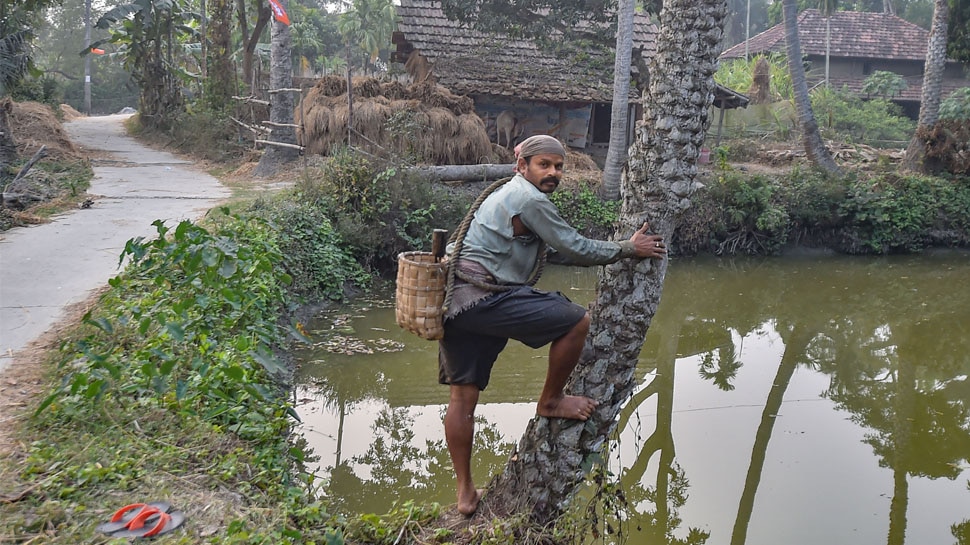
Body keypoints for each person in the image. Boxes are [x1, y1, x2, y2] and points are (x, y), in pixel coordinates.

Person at [439, 134, 667, 515]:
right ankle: (551, 401)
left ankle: (465, 495)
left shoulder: (510, 192)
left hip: (455, 304)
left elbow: (558, 251)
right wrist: (629, 248)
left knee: (462, 400)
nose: (553, 173)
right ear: (522, 165)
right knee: (576, 320)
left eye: (558, 166)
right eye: (544, 165)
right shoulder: (529, 199)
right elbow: (574, 246)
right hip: (483, 296)